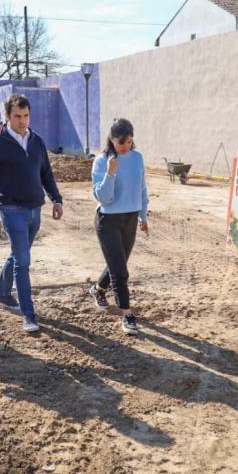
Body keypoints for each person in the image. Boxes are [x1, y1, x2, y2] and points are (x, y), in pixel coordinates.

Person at [0, 94, 63, 332]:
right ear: (7, 116)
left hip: (36, 209)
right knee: (23, 262)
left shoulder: (36, 141)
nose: (22, 121)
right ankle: (29, 314)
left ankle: (3, 294)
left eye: (26, 116)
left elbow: (46, 173)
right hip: (11, 210)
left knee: (18, 254)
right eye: (17, 116)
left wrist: (56, 199)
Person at [88, 118, 149, 335]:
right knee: (121, 272)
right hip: (108, 220)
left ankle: (97, 290)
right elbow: (103, 198)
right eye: (121, 142)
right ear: (112, 140)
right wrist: (110, 172)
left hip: (130, 218)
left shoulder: (137, 157)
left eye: (129, 142)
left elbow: (142, 187)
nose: (125, 147)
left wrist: (143, 215)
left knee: (118, 264)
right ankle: (127, 314)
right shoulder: (102, 161)